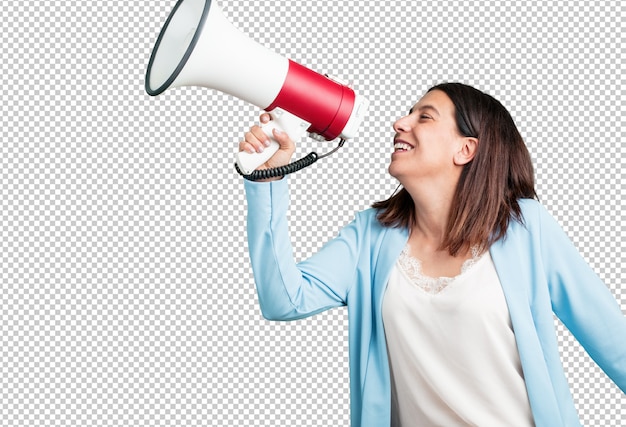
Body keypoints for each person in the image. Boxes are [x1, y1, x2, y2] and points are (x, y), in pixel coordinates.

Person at [240, 82, 626, 427]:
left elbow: (612, 340)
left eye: (424, 116)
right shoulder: (369, 235)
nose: (399, 123)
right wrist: (269, 180)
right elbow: (284, 300)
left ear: (466, 149)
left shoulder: (525, 228)